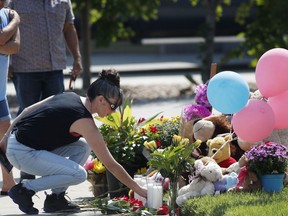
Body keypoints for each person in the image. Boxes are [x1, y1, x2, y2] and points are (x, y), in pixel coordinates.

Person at [1, 69, 147, 214]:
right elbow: (111, 165)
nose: (113, 112)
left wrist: (6, 137)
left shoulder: (70, 96)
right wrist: (139, 189)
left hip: (18, 145)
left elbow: (27, 110)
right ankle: (25, 189)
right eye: (113, 106)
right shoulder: (85, 122)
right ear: (101, 99)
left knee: (83, 147)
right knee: (79, 175)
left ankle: (55, 198)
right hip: (23, 154)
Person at [8, 0, 83, 180]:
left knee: (56, 119)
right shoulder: (15, 2)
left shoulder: (63, 2)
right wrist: (8, 62)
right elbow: (7, 29)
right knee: (28, 116)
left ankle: (51, 163)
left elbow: (69, 28)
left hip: (55, 68)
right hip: (25, 68)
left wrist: (77, 57)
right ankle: (27, 169)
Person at [0, 0, 20, 195]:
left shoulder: (7, 14)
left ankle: (8, 183)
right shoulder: (13, 17)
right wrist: (17, 20)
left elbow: (14, 47)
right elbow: (2, 38)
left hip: (0, 94)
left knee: (5, 139)